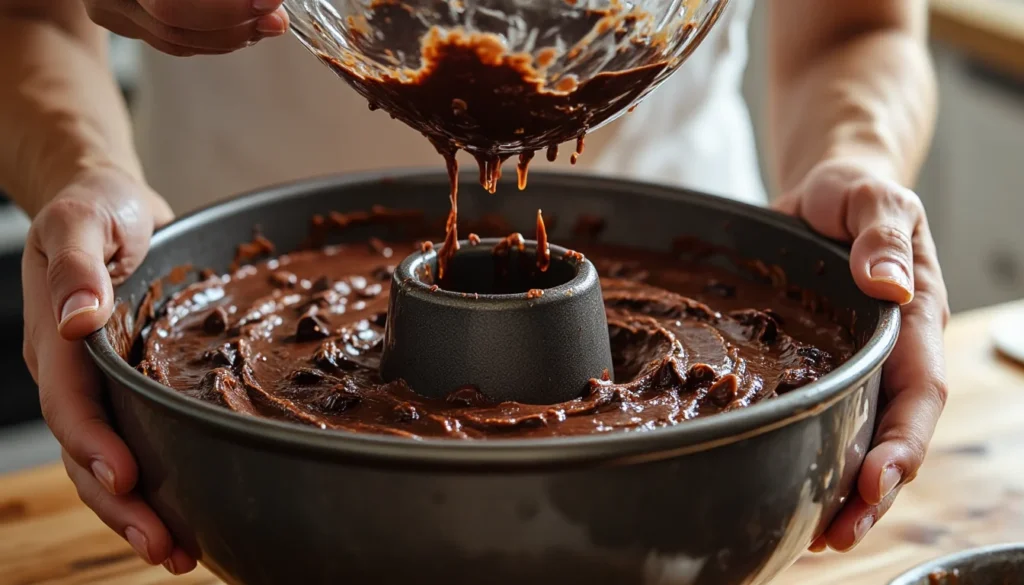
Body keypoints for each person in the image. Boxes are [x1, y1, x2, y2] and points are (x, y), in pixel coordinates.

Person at [2, 0, 948, 576]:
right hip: (227, 365)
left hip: (717, 361)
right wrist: (86, 174)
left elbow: (858, 27)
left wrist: (855, 169)